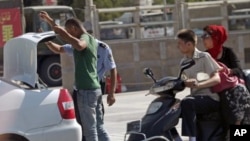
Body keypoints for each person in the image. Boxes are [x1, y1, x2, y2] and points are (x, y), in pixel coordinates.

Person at [39, 11, 111, 141]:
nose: (68, 34)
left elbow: (79, 44)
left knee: (90, 130)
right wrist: (48, 41)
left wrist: (53, 24)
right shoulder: (80, 44)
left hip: (87, 90)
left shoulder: (86, 38)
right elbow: (60, 49)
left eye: (69, 31)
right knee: (99, 127)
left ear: (74, 28)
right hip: (94, 90)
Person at [176, 29, 222, 141]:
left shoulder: (204, 57)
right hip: (196, 98)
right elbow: (181, 82)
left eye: (180, 44)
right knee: (175, 106)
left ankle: (192, 138)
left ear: (189, 44)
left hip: (210, 98)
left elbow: (217, 79)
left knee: (187, 102)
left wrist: (198, 85)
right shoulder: (183, 62)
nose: (178, 47)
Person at [201, 24, 250, 126]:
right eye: (202, 36)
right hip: (215, 88)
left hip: (231, 86)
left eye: (206, 36)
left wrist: (228, 71)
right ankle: (236, 126)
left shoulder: (228, 52)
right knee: (233, 96)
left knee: (240, 90)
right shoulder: (205, 56)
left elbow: (238, 70)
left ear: (216, 38)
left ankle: (239, 127)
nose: (203, 39)